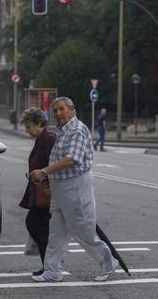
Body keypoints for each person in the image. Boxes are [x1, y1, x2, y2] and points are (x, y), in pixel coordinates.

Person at [30, 97, 118, 283]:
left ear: (72, 110)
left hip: (75, 186)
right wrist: (51, 183)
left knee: (83, 230)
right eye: (55, 111)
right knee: (56, 232)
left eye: (62, 109)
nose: (58, 113)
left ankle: (108, 262)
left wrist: (45, 172)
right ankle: (53, 271)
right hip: (61, 187)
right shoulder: (62, 130)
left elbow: (72, 159)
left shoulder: (77, 130)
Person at [19, 108, 57, 276]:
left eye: (29, 127)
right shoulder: (41, 138)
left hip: (46, 193)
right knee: (39, 227)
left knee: (35, 225)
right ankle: (49, 265)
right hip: (39, 191)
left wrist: (49, 186)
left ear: (39, 123)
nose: (27, 130)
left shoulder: (48, 139)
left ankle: (52, 265)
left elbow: (54, 165)